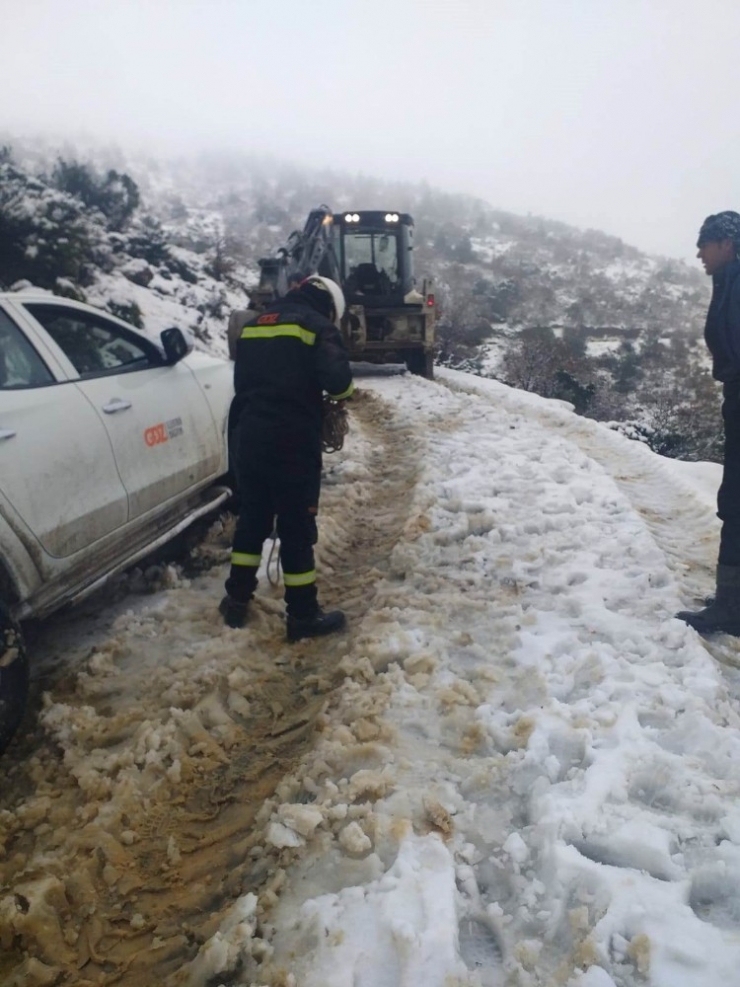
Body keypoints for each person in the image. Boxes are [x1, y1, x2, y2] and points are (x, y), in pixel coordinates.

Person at [220, 275, 355, 641]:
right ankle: (303, 616)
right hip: (292, 441)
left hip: (249, 436)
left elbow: (243, 382)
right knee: (296, 528)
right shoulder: (317, 326)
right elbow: (340, 383)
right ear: (329, 305)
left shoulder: (253, 325)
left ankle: (235, 601)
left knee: (253, 518)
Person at [677, 211, 740, 634]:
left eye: (705, 243)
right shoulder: (729, 281)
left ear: (726, 245)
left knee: (735, 500)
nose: (698, 252)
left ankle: (731, 610)